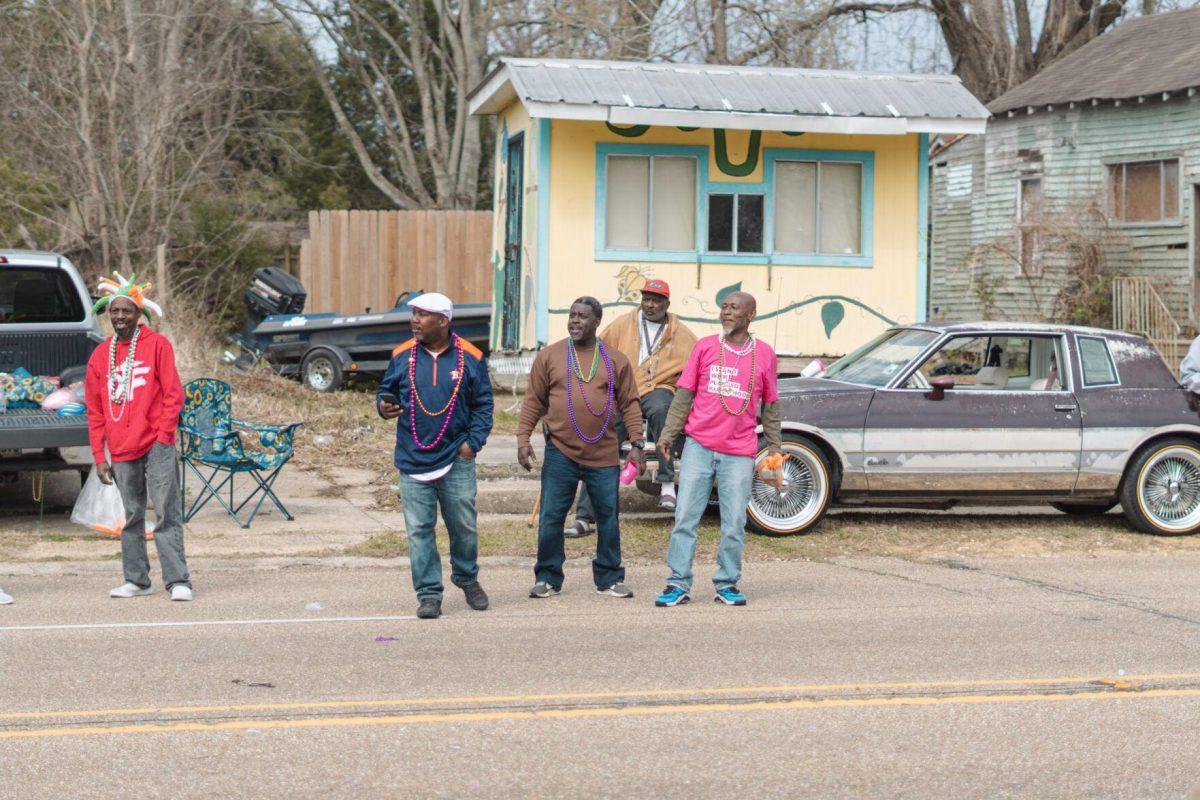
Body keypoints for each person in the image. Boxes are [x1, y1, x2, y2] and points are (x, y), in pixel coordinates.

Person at [653, 291, 783, 608]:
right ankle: (677, 583)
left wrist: (775, 449)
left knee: (734, 522)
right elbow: (684, 394)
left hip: (739, 451)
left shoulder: (764, 354)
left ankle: (727, 583)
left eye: (733, 308)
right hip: (699, 444)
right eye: (723, 307)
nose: (726, 312)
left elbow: (771, 405)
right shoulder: (705, 347)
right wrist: (668, 433)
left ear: (750, 314)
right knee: (685, 517)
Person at [517, 297, 645, 599]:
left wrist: (637, 443)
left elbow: (630, 403)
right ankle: (548, 577)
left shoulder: (615, 360)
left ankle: (609, 577)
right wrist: (523, 439)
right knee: (551, 516)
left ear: (596, 322)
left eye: (582, 316)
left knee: (607, 517)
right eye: (571, 315)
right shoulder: (550, 356)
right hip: (560, 452)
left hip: (603, 454)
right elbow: (533, 401)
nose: (575, 321)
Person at [377, 292, 494, 620]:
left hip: (456, 456)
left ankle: (467, 578)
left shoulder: (470, 356)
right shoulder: (402, 355)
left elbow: (484, 404)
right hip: (413, 457)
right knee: (419, 529)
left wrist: (473, 443)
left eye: (422, 314)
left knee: (464, 524)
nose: (414, 319)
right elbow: (386, 392)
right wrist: (383, 406)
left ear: (443, 321)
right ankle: (429, 594)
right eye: (413, 313)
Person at [85, 273, 192, 601]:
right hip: (120, 448)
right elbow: (95, 409)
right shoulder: (100, 356)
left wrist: (163, 436)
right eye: (115, 312)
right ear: (109, 315)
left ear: (138, 314)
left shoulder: (157, 345)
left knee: (166, 513)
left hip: (157, 445)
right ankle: (137, 580)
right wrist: (99, 455)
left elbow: (174, 394)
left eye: (126, 311)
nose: (120, 317)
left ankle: (178, 581)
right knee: (132, 516)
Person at [564, 278, 698, 538]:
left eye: (656, 300)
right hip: (623, 391)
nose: (650, 304)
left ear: (666, 304)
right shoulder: (624, 323)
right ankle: (583, 517)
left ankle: (667, 484)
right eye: (646, 299)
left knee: (662, 410)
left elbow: (697, 361)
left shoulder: (680, 331)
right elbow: (597, 348)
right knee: (600, 441)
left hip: (659, 386)